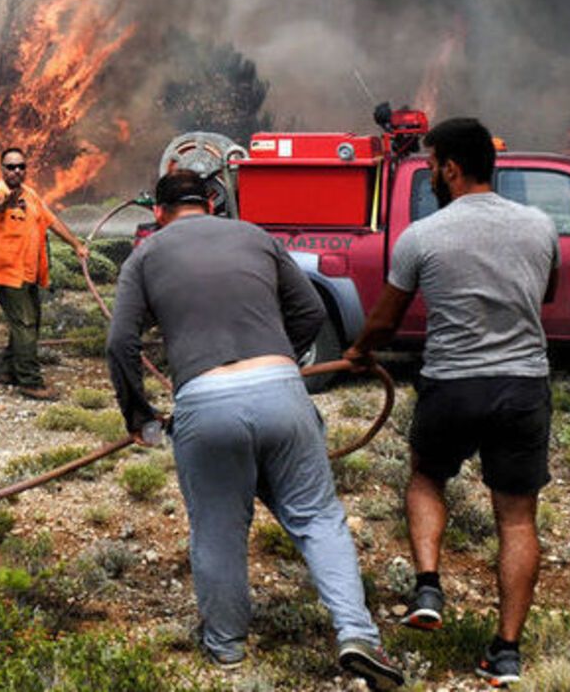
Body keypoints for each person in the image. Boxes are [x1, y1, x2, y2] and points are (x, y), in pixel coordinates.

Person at [106, 171, 403, 689]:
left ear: (159, 212)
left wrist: (141, 418)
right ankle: (357, 633)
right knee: (318, 518)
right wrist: (280, 360)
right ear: (213, 204)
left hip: (203, 402)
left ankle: (226, 648)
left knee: (219, 529)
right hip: (282, 391)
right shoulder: (254, 235)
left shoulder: (146, 256)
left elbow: (120, 344)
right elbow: (309, 310)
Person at [343, 118, 558, 688]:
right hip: (522, 386)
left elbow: (386, 321)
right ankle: (505, 653)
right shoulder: (539, 226)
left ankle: (428, 585)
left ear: (452, 168)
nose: (432, 174)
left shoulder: (423, 235)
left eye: (433, 163)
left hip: (453, 384)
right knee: (516, 519)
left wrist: (360, 350)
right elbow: (548, 292)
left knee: (425, 478)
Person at [0, 146, 89, 401]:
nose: (16, 171)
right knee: (26, 323)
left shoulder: (30, 196)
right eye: (11, 166)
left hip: (28, 273)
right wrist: (7, 200)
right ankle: (30, 382)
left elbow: (52, 222)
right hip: (7, 274)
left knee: (26, 323)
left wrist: (76, 245)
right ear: (2, 169)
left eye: (21, 166)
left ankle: (9, 370)